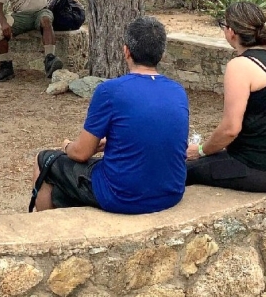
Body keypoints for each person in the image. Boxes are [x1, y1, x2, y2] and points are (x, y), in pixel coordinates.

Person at [32, 17, 189, 214]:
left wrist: (66, 146)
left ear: (126, 51)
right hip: (171, 192)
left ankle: (46, 232)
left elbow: (81, 153)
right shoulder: (178, 91)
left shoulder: (110, 91)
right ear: (162, 54)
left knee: (44, 161)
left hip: (122, 195)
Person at [186, 2, 266, 192]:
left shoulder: (241, 65)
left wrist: (200, 150)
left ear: (231, 31)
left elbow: (230, 129)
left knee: (181, 171)